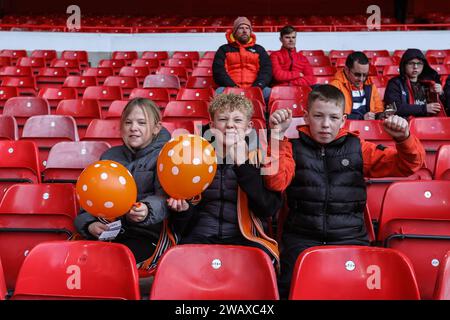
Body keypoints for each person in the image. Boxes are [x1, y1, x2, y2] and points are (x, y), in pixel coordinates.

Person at [264, 84, 425, 299]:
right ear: (306, 117)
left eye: (333, 117)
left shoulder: (358, 147)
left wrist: (404, 139)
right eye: (318, 116)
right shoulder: (291, 147)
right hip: (301, 240)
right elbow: (275, 182)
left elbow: (409, 165)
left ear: (343, 119)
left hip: (350, 239)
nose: (325, 124)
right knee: (290, 292)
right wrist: (276, 137)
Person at [168, 93, 281, 263]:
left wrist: (243, 166)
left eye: (237, 120)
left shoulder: (261, 158)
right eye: (222, 119)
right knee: (178, 263)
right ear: (212, 126)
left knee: (260, 266)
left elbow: (268, 209)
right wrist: (182, 210)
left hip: (245, 237)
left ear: (249, 127)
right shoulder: (195, 159)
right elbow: (183, 219)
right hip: (202, 234)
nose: (230, 125)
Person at [74, 98, 174, 269]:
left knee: (110, 263)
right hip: (109, 232)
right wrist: (90, 224)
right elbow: (91, 201)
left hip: (147, 234)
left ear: (156, 128)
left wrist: (146, 210)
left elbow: (164, 198)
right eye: (128, 122)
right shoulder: (109, 156)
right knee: (75, 259)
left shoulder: (166, 156)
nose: (133, 128)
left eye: (141, 123)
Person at [212, 17, 272, 104]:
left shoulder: (259, 49)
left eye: (247, 28)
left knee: (272, 94)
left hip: (256, 88)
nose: (245, 31)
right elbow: (218, 71)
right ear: (234, 31)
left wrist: (257, 86)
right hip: (230, 88)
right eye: (241, 28)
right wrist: (233, 87)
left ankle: (268, 117)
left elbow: (267, 70)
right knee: (218, 93)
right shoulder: (224, 49)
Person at [384, 48, 444, 118]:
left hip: (429, 124)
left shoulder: (429, 83)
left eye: (419, 63)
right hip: (405, 125)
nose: (415, 67)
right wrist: (424, 108)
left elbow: (444, 108)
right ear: (404, 65)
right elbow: (393, 109)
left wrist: (441, 94)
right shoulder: (395, 83)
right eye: (411, 63)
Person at [330, 51, 384, 120]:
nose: (361, 79)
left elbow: (378, 109)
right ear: (347, 70)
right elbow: (333, 115)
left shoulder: (370, 85)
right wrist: (361, 118)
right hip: (346, 128)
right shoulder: (335, 86)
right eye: (357, 75)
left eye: (365, 75)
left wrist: (381, 115)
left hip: (370, 127)